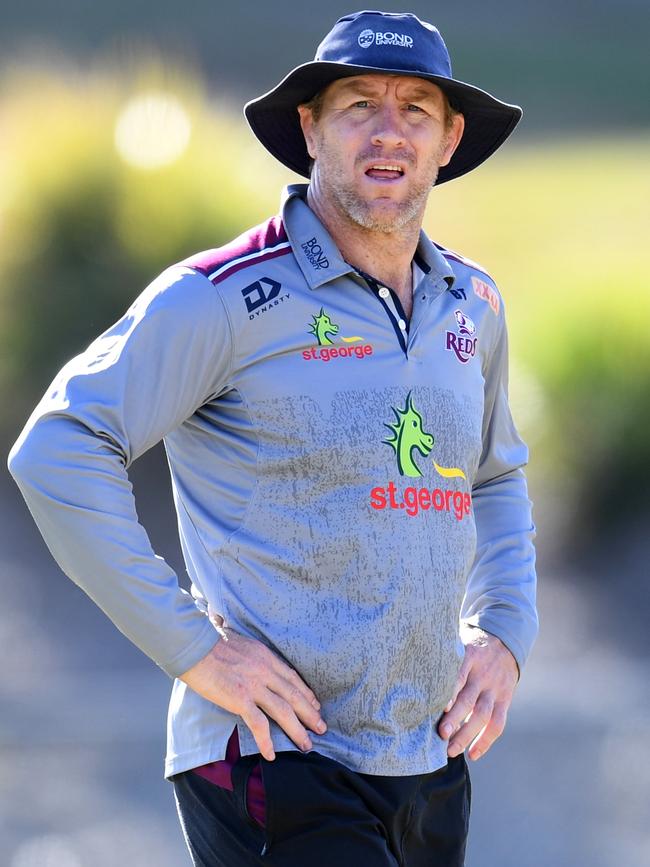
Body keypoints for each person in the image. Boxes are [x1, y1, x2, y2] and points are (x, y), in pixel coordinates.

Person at [8, 10, 537, 867]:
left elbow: (496, 475)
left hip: (427, 754)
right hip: (270, 754)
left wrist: (506, 629)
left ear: (450, 138)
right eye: (359, 103)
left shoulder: (474, 304)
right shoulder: (219, 296)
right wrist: (197, 652)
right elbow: (58, 449)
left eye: (416, 109)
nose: (388, 131)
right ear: (309, 127)